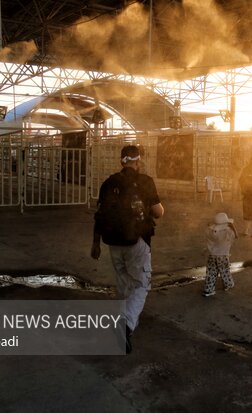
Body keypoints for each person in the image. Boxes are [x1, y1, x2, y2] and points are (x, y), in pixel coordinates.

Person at [90, 145, 164, 353]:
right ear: (137, 161)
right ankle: (126, 325)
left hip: (113, 242)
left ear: (121, 161)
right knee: (141, 285)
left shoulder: (108, 183)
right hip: (137, 242)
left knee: (124, 284)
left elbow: (99, 214)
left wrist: (95, 243)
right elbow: (158, 212)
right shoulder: (145, 182)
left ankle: (123, 319)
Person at [203, 212, 238, 297]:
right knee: (224, 271)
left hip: (212, 255)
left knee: (211, 272)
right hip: (223, 255)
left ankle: (208, 289)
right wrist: (232, 225)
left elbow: (209, 230)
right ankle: (228, 284)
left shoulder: (210, 231)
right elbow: (235, 235)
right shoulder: (228, 232)